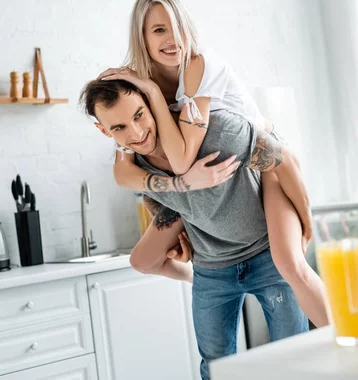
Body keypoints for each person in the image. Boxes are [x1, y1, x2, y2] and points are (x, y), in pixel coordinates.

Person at [98, 0, 328, 328]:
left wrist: (307, 220)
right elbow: (127, 170)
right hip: (209, 186)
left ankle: (349, 350)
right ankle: (199, 278)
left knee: (290, 264)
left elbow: (180, 161)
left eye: (177, 26)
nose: (172, 38)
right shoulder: (134, 84)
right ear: (142, 38)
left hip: (264, 162)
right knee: (143, 258)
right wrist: (176, 225)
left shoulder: (197, 66)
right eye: (158, 30)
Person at [80, 79, 310, 379]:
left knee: (295, 358)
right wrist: (181, 237)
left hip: (267, 255)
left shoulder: (216, 132)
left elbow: (285, 161)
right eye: (119, 128)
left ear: (152, 106)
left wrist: (306, 226)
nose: (136, 133)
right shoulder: (136, 169)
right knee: (214, 369)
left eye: (138, 115)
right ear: (104, 131)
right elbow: (156, 200)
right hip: (212, 270)